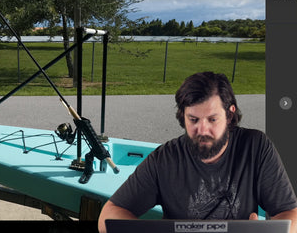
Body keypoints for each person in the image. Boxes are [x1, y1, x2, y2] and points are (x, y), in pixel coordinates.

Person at [98, 71, 297, 233]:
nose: (202, 131)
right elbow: (109, 214)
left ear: (229, 115)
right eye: (193, 120)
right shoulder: (164, 158)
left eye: (212, 119)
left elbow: (290, 213)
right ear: (182, 117)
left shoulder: (255, 146)